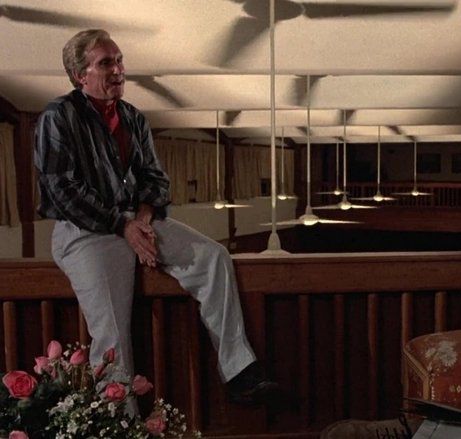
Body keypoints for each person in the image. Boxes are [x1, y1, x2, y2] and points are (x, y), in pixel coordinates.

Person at [34, 29, 278, 408]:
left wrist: (144, 218)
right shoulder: (58, 116)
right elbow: (61, 188)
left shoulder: (132, 116)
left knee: (213, 257)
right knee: (112, 335)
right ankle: (120, 424)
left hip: (138, 220)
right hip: (86, 231)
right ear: (81, 75)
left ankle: (238, 372)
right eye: (106, 63)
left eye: (119, 60)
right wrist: (123, 226)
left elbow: (156, 178)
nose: (118, 70)